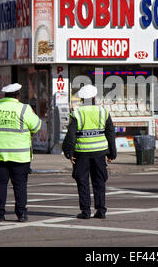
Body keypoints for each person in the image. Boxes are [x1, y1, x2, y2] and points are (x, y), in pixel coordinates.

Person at [0, 83, 41, 222]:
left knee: (0, 183)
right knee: (20, 185)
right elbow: (37, 126)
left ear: (4, 95)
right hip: (20, 156)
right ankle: (21, 214)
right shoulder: (24, 109)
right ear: (18, 95)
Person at [62, 84, 117, 219]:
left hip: (82, 154)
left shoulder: (77, 113)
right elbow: (110, 132)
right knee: (99, 181)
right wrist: (112, 153)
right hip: (99, 153)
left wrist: (69, 153)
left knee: (82, 182)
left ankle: (85, 211)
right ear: (94, 98)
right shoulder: (103, 111)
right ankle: (101, 210)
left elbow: (71, 135)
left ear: (81, 99)